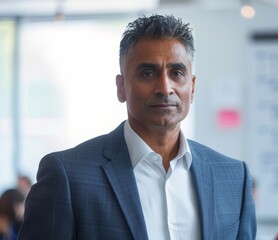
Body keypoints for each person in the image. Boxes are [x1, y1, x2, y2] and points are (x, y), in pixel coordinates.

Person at [18, 14, 256, 239]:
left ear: (192, 87)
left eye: (177, 73)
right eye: (147, 73)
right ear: (121, 87)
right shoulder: (68, 176)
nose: (165, 88)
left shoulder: (234, 178)